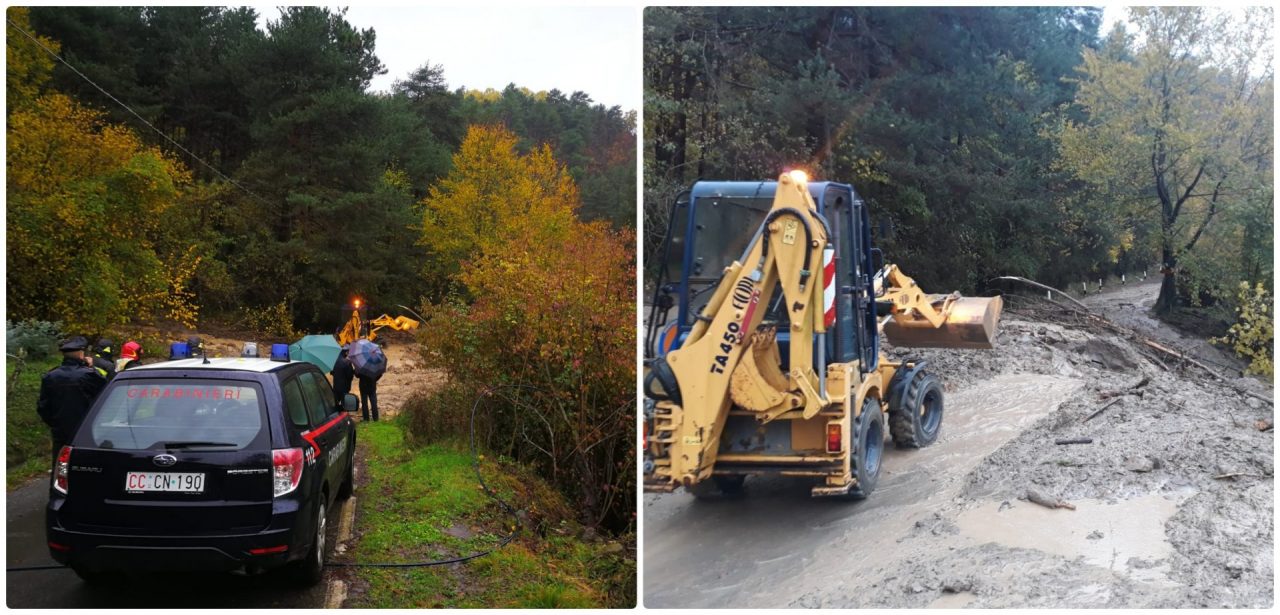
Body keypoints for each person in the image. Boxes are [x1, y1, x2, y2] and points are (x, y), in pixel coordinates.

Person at [37, 337, 108, 460]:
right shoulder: (89, 374)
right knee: (83, 464)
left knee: (59, 464)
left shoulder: (50, 376)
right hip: (85, 431)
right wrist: (92, 368)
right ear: (81, 354)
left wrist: (55, 424)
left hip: (60, 431)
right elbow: (105, 393)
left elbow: (43, 407)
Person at [330, 345, 355, 411]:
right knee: (345, 404)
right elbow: (350, 376)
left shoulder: (334, 361)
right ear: (346, 352)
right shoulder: (347, 362)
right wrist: (353, 372)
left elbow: (332, 372)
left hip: (336, 386)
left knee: (336, 403)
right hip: (345, 387)